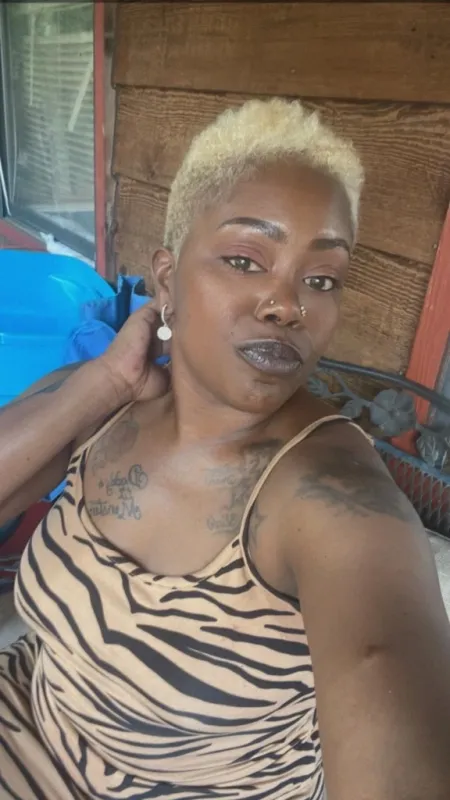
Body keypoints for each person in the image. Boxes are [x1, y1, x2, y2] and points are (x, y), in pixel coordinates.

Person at [1, 99, 450, 800]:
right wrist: (104, 384)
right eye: (245, 260)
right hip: (32, 721)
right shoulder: (106, 404)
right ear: (167, 279)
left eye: (321, 279)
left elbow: (390, 684)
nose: (288, 304)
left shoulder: (333, 498)